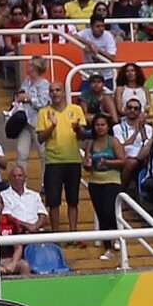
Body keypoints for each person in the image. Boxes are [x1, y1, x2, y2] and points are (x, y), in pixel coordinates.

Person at [36, 82, 87, 232]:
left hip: (73, 160)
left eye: (58, 90)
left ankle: (73, 233)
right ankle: (56, 234)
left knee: (73, 200)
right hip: (53, 162)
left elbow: (83, 136)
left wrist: (78, 128)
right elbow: (40, 139)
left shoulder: (76, 109)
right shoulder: (43, 112)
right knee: (53, 201)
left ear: (64, 92)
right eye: (51, 91)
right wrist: (52, 126)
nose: (55, 93)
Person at [85, 114, 122, 260]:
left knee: (109, 211)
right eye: (97, 125)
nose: (100, 128)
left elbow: (123, 160)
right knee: (101, 214)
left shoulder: (113, 142)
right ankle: (107, 248)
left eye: (103, 125)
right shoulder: (91, 143)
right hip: (95, 182)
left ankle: (117, 236)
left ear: (108, 127)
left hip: (112, 180)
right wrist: (87, 164)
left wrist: (107, 162)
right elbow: (87, 163)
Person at [0, 164, 49, 233]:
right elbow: (8, 217)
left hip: (37, 231)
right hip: (16, 233)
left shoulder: (34, 195)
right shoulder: (3, 195)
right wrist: (27, 226)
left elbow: (43, 214)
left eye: (20, 175)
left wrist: (35, 226)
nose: (17, 178)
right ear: (9, 179)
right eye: (14, 176)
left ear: (25, 178)